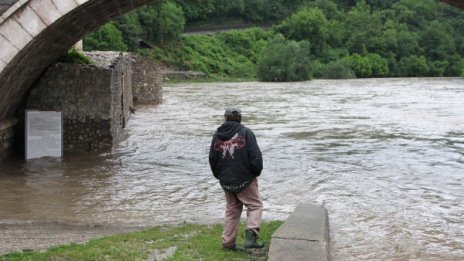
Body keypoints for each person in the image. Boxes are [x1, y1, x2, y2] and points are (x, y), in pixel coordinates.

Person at [209, 107, 264, 251]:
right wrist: (255, 174)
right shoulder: (246, 132)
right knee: (255, 205)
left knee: (232, 209)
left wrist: (220, 176)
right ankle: (251, 237)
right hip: (245, 179)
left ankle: (228, 243)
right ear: (240, 118)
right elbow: (255, 157)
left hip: (226, 180)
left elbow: (212, 159)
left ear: (225, 118)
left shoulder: (217, 135)